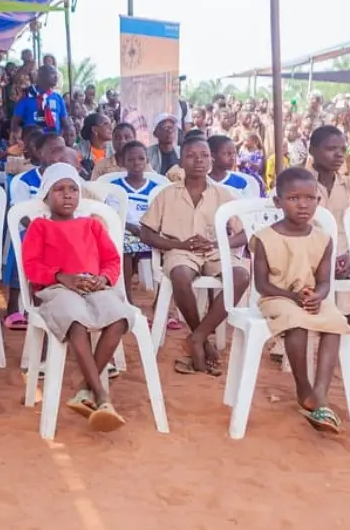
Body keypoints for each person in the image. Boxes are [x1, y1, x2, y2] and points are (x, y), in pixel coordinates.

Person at [22, 163, 136, 431]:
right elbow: (31, 267)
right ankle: (102, 395)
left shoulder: (92, 226)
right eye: (59, 189)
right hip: (56, 288)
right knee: (75, 320)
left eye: (73, 189)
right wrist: (62, 277)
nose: (67, 195)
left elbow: (111, 260)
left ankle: (85, 387)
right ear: (46, 195)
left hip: (94, 287)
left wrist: (104, 279)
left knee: (119, 316)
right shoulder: (40, 227)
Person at [138, 136, 248, 376]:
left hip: (215, 250)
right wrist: (175, 244)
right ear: (180, 161)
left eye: (204, 155)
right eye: (191, 155)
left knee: (240, 276)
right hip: (180, 251)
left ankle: (197, 337)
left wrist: (219, 242)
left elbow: (244, 234)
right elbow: (146, 233)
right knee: (180, 276)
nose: (199, 160)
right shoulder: (167, 195)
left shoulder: (224, 195)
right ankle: (203, 340)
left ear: (211, 160)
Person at [252, 167, 350, 433]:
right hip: (277, 297)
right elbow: (261, 284)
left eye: (310, 198)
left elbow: (324, 281)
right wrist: (292, 296)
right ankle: (303, 387)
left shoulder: (323, 239)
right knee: (296, 321)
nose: (303, 204)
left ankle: (320, 393)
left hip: (309, 298)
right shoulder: (264, 238)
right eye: (294, 198)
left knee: (335, 322)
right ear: (278, 201)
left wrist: (317, 296)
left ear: (318, 201)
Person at [308, 125, 350, 339]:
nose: (339, 154)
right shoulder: (299, 182)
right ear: (312, 150)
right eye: (331, 148)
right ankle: (290, 335)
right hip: (309, 254)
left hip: (345, 254)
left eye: (342, 149)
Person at [108, 140, 160, 296]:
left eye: (141, 158)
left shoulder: (155, 188)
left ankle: (159, 298)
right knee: (125, 247)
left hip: (148, 232)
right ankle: (126, 294)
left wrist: (146, 229)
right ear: (122, 162)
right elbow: (112, 215)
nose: (136, 163)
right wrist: (130, 227)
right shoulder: (115, 187)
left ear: (147, 160)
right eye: (130, 159)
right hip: (124, 231)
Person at [11, 65, 67, 135]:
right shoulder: (27, 96)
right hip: (32, 141)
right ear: (42, 76)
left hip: (53, 141)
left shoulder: (58, 98)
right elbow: (15, 122)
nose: (56, 77)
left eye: (56, 74)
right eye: (52, 73)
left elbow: (65, 123)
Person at [79, 112, 115, 179]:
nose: (111, 127)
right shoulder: (79, 150)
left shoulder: (115, 149)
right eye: (106, 124)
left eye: (111, 124)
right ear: (94, 129)